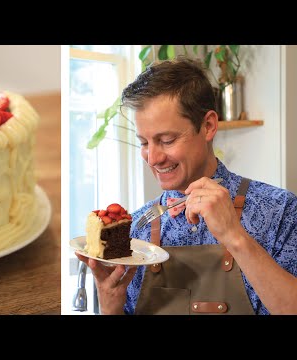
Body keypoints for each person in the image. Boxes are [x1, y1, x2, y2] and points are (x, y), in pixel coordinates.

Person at [76, 57, 297, 315]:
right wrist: (110, 307)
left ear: (208, 126)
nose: (153, 158)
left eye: (167, 140)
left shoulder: (280, 210)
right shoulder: (135, 232)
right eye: (145, 143)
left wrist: (235, 237)